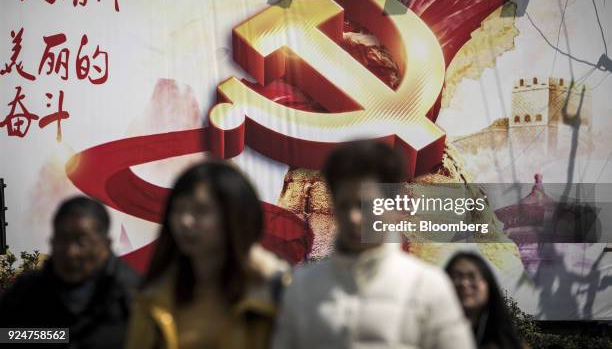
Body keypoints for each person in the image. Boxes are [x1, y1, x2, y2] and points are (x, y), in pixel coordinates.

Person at [272, 140, 475, 349]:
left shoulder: (429, 287)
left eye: (364, 205)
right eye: (344, 205)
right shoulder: (303, 287)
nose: (353, 218)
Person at [125, 161, 289, 349]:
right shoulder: (154, 296)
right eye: (178, 209)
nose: (185, 221)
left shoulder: (276, 292)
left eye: (200, 210)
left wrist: (275, 277)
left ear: (235, 216)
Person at [0, 196, 141, 348]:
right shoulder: (26, 293)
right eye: (63, 239)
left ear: (105, 245)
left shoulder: (134, 298)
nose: (71, 252)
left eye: (82, 242)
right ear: (52, 241)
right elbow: (7, 336)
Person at [445, 251, 523, 349]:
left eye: (472, 277)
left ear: (488, 285)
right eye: (456, 277)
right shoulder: (427, 335)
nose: (464, 283)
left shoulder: (507, 342)